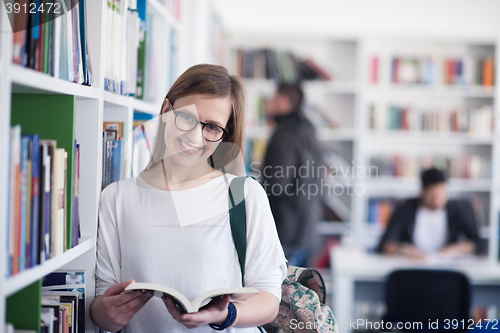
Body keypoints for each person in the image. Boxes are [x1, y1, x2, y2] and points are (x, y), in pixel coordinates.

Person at [90, 64, 287, 332]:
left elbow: (268, 300)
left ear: (224, 134)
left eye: (212, 127)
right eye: (186, 118)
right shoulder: (117, 198)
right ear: (165, 110)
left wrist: (224, 314)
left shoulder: (245, 195)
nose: (195, 136)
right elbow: (103, 302)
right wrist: (104, 313)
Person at [260, 83, 324, 267]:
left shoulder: (284, 136)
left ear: (283, 101)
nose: (267, 104)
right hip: (308, 232)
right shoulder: (309, 133)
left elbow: (276, 185)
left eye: (271, 99)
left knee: (281, 294)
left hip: (286, 234)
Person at [377, 168, 483, 259]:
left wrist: (454, 250)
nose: (437, 201)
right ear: (422, 192)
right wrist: (404, 250)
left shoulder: (458, 209)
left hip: (448, 267)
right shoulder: (405, 208)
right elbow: (385, 244)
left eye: (441, 195)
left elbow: (479, 243)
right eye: (432, 196)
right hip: (412, 266)